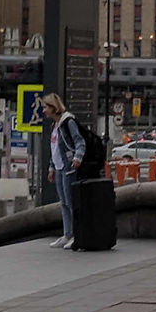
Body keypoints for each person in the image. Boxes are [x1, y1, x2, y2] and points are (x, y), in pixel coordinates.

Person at [41, 93, 85, 249]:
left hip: (69, 167)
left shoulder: (68, 122)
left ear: (54, 108)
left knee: (71, 201)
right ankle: (67, 234)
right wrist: (51, 167)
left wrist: (77, 157)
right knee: (64, 203)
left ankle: (77, 234)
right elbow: (54, 148)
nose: (44, 110)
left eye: (46, 107)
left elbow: (79, 141)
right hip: (59, 168)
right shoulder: (54, 125)